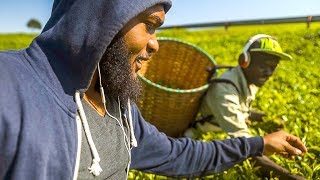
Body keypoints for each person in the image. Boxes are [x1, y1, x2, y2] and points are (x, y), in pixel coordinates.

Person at [0, 1, 307, 179]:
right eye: (149, 24)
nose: (155, 43)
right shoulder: (13, 84)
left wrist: (258, 144)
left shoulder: (118, 108)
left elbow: (180, 155)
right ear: (101, 16)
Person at [191, 34, 305, 179]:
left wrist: (270, 120)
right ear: (244, 61)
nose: (269, 73)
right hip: (202, 134)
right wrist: (291, 177)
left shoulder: (250, 79)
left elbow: (243, 107)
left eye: (273, 67)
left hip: (220, 126)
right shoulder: (224, 91)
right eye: (264, 66)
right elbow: (246, 147)